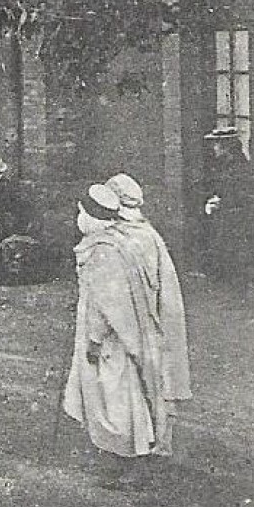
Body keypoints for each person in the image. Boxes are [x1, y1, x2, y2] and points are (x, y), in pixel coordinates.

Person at [63, 184, 166, 488]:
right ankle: (121, 459)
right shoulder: (116, 242)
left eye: (81, 213)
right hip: (123, 335)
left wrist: (94, 339)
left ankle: (133, 465)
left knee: (117, 398)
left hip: (113, 341)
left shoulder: (104, 251)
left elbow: (106, 303)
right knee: (116, 396)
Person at [105, 172, 193, 452]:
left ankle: (149, 444)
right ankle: (155, 440)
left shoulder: (131, 238)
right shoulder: (148, 234)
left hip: (140, 320)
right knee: (154, 377)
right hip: (150, 317)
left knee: (143, 379)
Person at [199, 125, 254, 281]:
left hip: (239, 224)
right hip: (229, 222)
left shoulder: (240, 168)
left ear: (226, 146)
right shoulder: (225, 166)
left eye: (217, 144)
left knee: (236, 266)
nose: (214, 148)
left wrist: (221, 203)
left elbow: (246, 197)